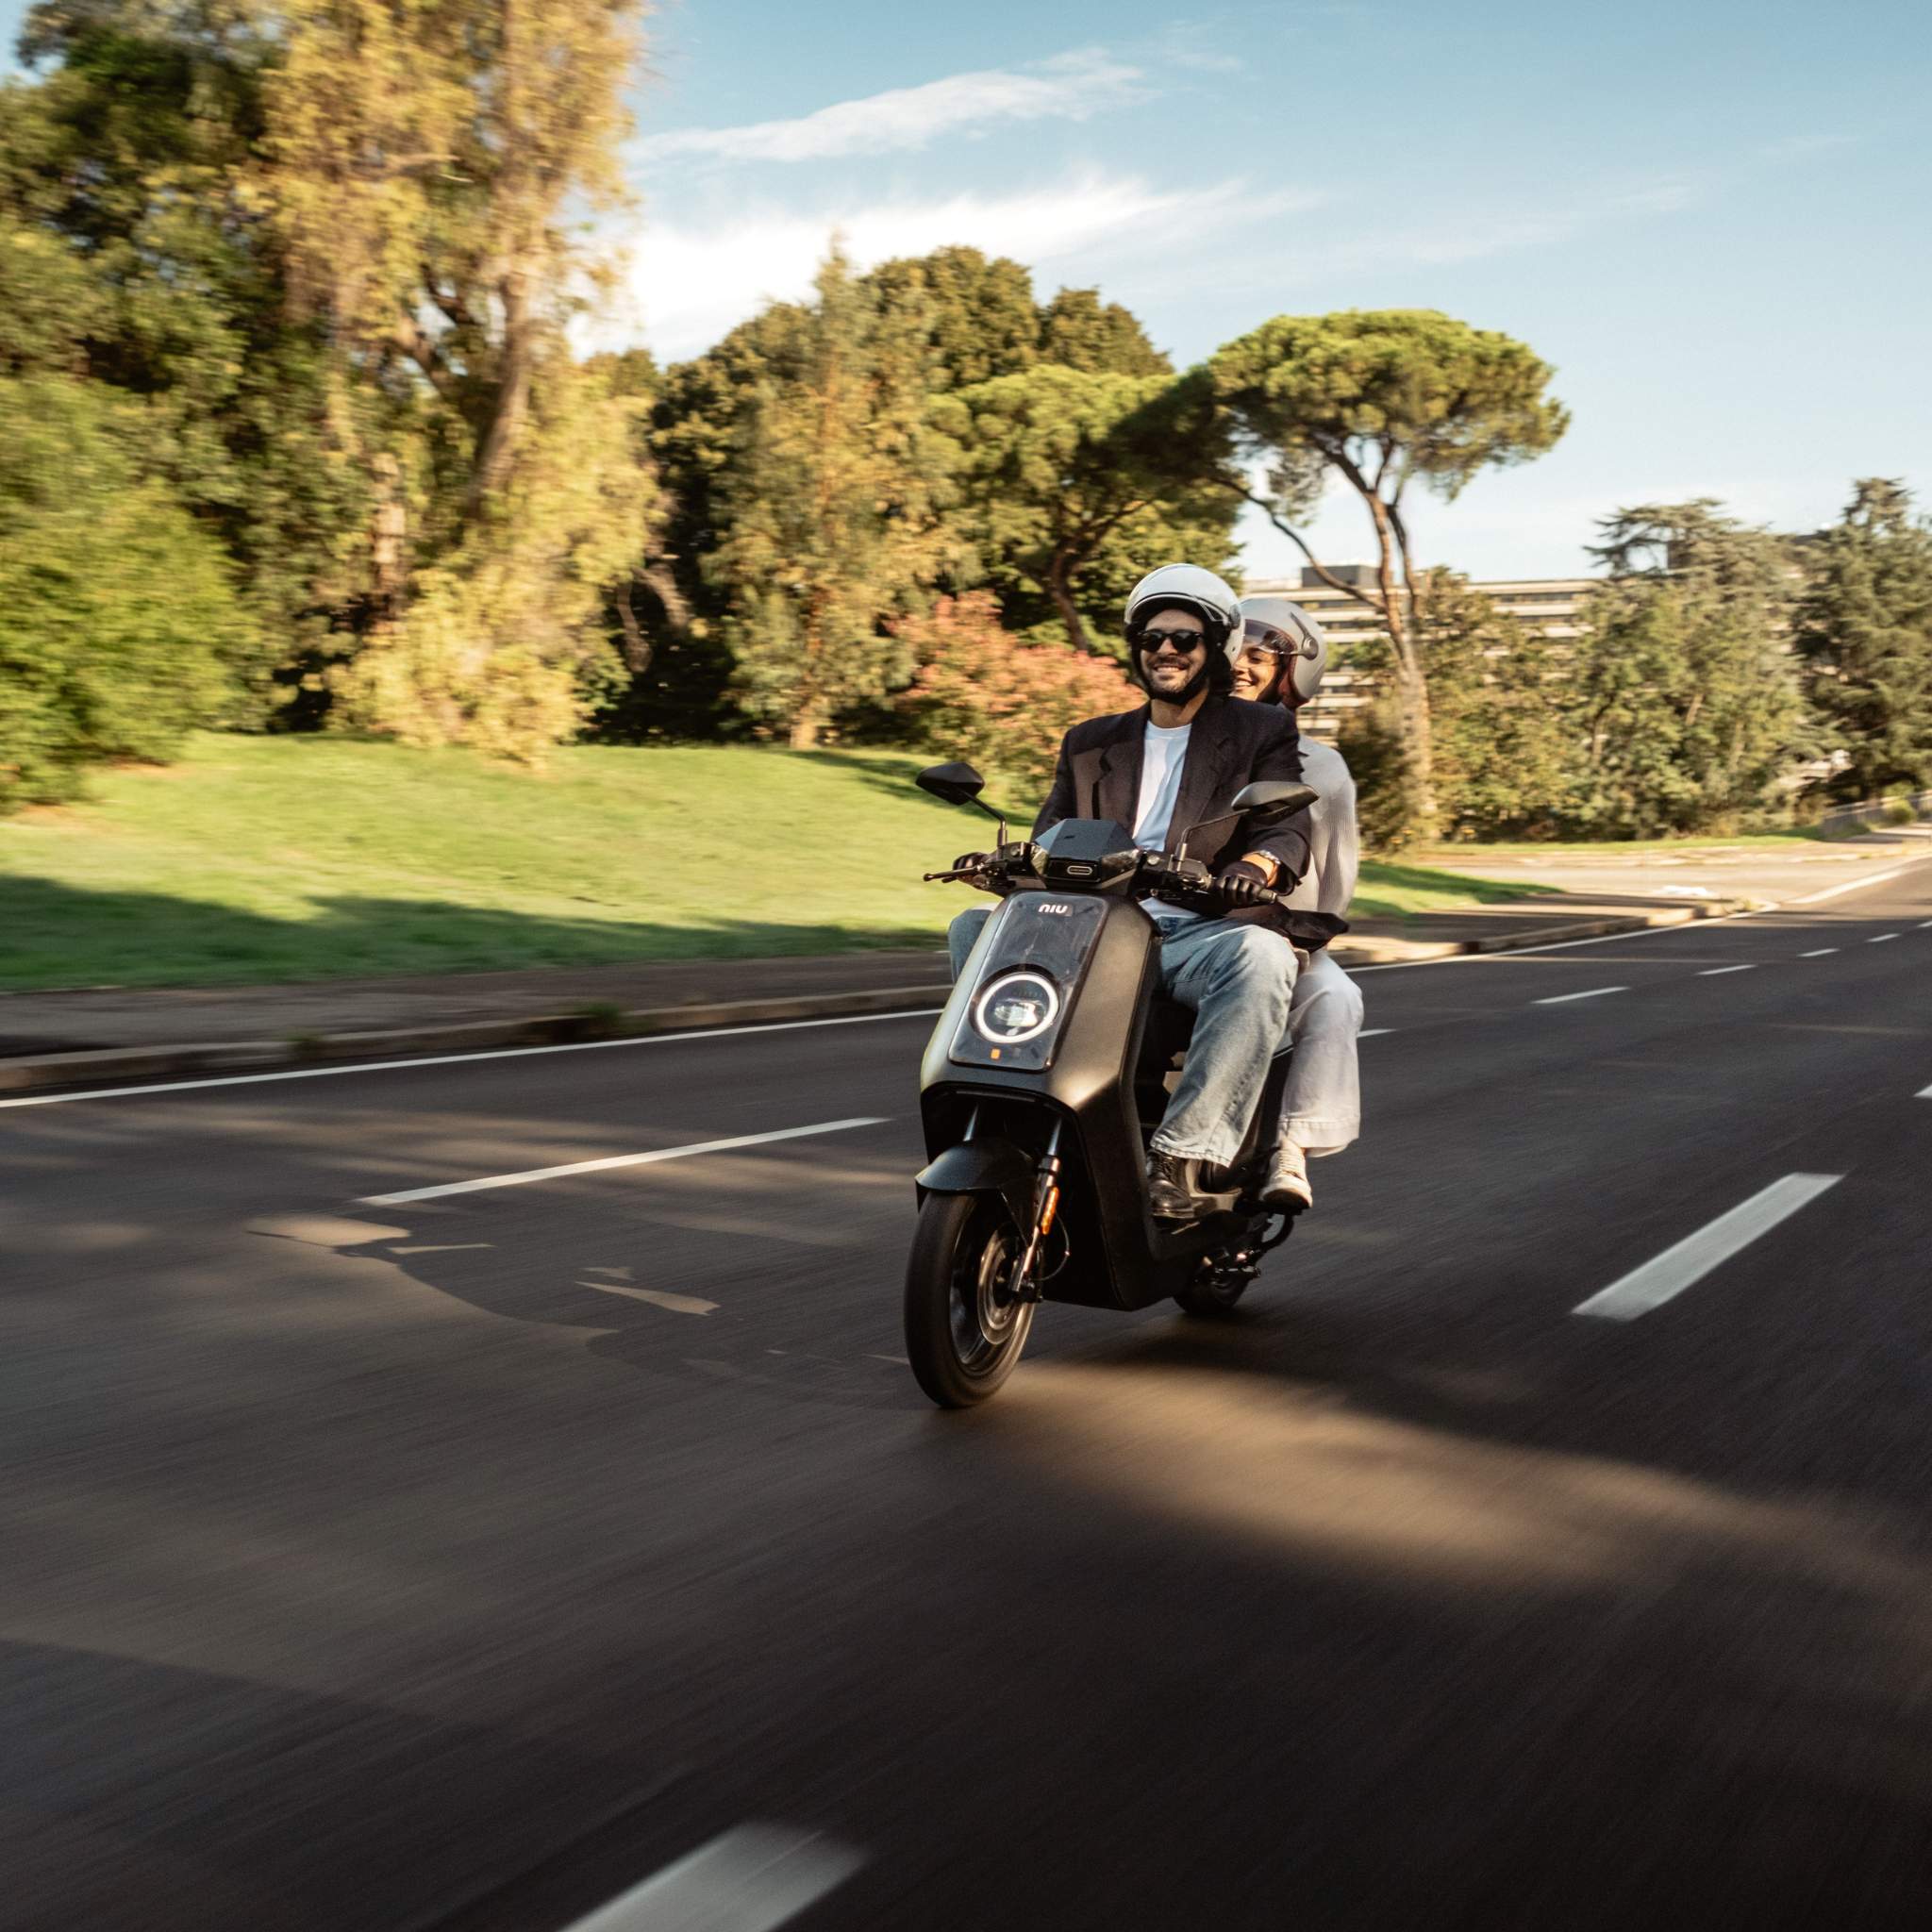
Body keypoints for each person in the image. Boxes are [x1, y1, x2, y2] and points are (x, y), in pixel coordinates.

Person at [947, 563, 1313, 1223]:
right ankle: (1007, 1113)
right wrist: (1005, 863)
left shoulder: (1260, 732)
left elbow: (1286, 829)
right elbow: (1052, 838)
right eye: (1152, 639)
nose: (1167, 651)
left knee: (1262, 959)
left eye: (1184, 639)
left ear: (1214, 649)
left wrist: (1252, 869)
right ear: (1136, 650)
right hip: (1096, 926)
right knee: (974, 927)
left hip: (1197, 931)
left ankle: (1182, 1157)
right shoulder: (1091, 742)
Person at [1228, 595, 1364, 1213]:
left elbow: (1335, 883)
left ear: (1293, 674)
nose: (1239, 664)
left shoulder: (1323, 770)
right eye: (1231, 649)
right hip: (1159, 932)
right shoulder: (1174, 744)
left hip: (1278, 942)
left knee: (1336, 997)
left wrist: (1300, 932)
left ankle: (1290, 1147)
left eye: (1258, 655)